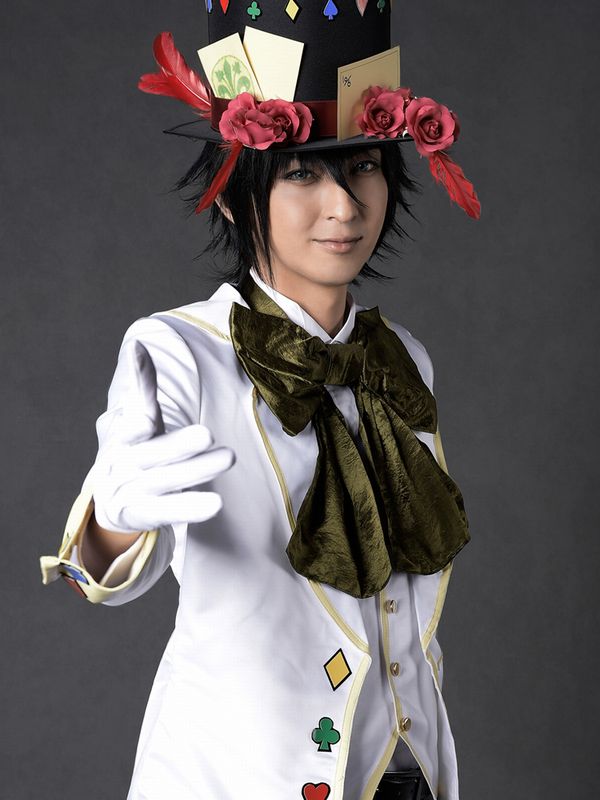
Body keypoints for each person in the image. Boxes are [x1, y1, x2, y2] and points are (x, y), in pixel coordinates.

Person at [40, 6, 479, 800]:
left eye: (364, 165)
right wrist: (112, 519)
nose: (344, 206)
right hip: (242, 776)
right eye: (302, 173)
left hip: (406, 772)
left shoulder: (404, 359)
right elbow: (97, 576)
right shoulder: (176, 350)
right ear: (234, 195)